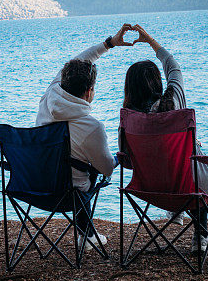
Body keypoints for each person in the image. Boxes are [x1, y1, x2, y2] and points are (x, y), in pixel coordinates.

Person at [120, 24, 208, 254]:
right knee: (194, 163)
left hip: (150, 189)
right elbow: (173, 67)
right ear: (157, 82)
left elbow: (127, 162)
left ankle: (175, 210)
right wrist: (151, 41)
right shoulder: (173, 101)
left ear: (129, 89)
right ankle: (201, 236)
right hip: (187, 187)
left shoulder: (129, 119)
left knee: (183, 162)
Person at [36, 23, 137, 248]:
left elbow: (80, 61)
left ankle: (88, 234)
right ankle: (87, 236)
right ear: (89, 91)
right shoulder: (91, 127)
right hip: (68, 194)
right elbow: (107, 169)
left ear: (63, 80)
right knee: (92, 174)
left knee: (74, 167)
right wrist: (121, 156)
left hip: (35, 184)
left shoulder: (50, 93)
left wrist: (109, 43)